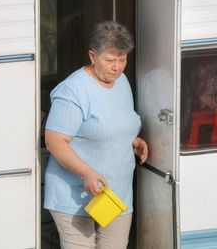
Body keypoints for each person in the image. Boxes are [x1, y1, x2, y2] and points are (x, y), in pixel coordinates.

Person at [44, 21, 148, 249]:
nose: (117, 67)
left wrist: (132, 141)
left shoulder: (121, 82)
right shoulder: (73, 90)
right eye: (110, 60)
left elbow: (115, 123)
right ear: (92, 56)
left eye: (122, 59)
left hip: (116, 193)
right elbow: (54, 141)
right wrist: (86, 172)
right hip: (75, 195)